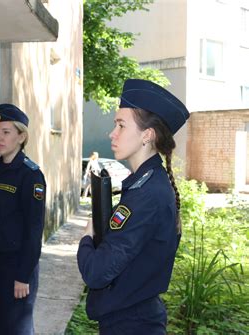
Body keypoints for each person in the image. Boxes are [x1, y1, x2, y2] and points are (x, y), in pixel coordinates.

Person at [77, 79, 190, 334]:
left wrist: (87, 234)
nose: (112, 133)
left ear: (147, 136)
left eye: (121, 125)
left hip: (132, 324)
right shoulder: (146, 186)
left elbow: (96, 272)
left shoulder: (147, 195)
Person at [0, 104, 46, 335]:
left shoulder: (31, 175)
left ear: (21, 136)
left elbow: (34, 229)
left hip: (16, 270)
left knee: (16, 329)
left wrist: (23, 275)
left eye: (6, 132)